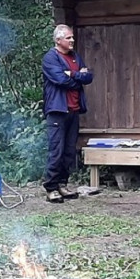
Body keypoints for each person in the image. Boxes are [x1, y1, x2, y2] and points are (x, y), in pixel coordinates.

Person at [40, 24, 92, 204]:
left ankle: (63, 184)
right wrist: (77, 77)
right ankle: (51, 188)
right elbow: (60, 80)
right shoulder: (50, 58)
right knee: (57, 150)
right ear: (58, 40)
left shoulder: (75, 57)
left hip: (74, 110)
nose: (72, 40)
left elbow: (89, 77)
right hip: (58, 110)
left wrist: (73, 74)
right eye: (68, 38)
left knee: (69, 151)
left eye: (72, 37)